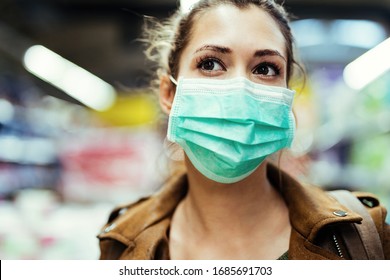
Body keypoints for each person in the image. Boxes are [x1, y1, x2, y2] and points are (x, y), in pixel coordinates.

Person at [97, 0, 390, 260]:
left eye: (265, 69)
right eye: (211, 63)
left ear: (286, 98)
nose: (241, 90)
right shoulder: (121, 244)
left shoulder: (361, 236)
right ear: (169, 94)